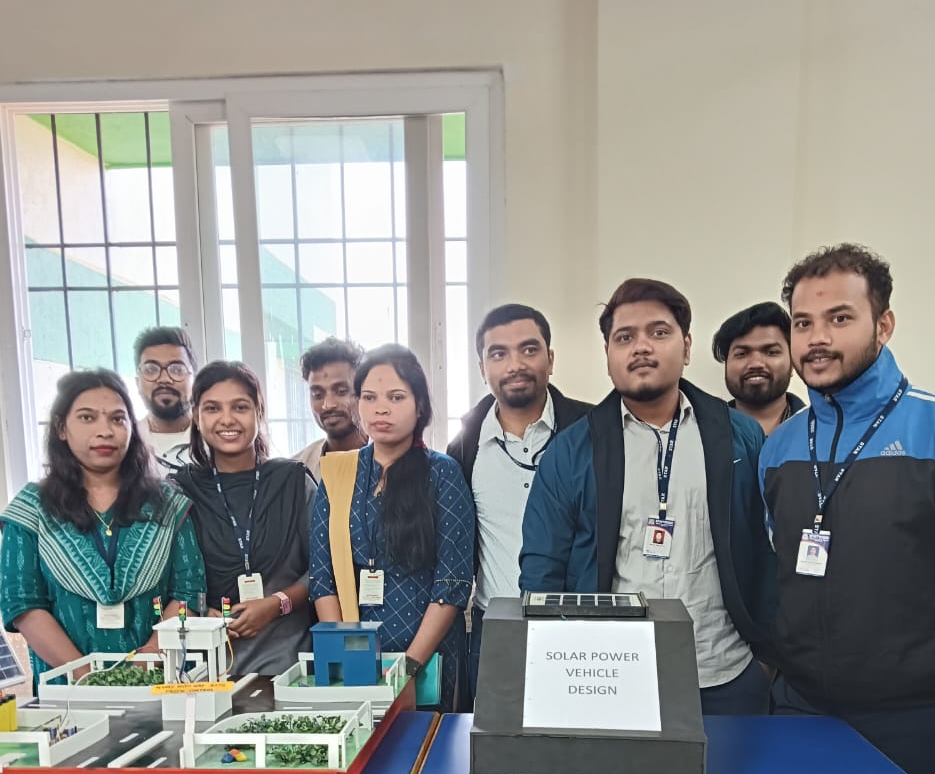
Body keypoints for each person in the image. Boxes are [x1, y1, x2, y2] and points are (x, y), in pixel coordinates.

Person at [759, 242, 935, 774]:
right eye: (803, 322)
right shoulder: (778, 449)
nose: (817, 338)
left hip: (915, 719)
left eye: (840, 318)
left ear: (884, 325)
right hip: (800, 710)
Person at [520, 278, 773, 715]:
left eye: (658, 332)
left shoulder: (739, 437)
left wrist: (766, 659)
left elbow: (766, 554)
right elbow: (543, 570)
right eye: (625, 337)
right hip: (611, 677)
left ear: (687, 347)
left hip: (723, 672)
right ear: (607, 355)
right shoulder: (571, 450)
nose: (641, 347)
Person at [0, 369, 205, 684]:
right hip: (67, 690)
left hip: (159, 683)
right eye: (87, 418)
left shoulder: (168, 505)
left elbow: (189, 592)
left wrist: (150, 659)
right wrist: (87, 677)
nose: (105, 431)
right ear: (61, 428)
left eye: (117, 419)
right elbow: (22, 602)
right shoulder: (31, 510)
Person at [309, 344, 474, 712]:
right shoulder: (337, 473)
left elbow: (453, 582)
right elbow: (322, 577)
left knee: (422, 746)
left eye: (396, 397)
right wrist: (344, 657)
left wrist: (409, 669)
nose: (380, 408)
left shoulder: (442, 473)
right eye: (369, 397)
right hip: (354, 659)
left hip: (427, 660)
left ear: (420, 406)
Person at [448, 303, 591, 698]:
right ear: (482, 368)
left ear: (550, 359)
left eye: (529, 349)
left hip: (582, 626)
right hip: (496, 628)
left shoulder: (593, 432)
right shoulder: (463, 448)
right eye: (499, 354)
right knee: (494, 735)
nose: (515, 364)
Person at [173, 361, 316, 678]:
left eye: (240, 407)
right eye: (212, 408)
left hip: (291, 664)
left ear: (259, 411)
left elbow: (325, 569)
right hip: (206, 667)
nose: (227, 419)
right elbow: (173, 581)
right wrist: (199, 613)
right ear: (196, 416)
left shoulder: (292, 481)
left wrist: (277, 604)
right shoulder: (181, 490)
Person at [712, 302, 806, 436]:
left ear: (792, 363)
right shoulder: (704, 433)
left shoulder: (822, 430)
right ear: (726, 364)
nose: (756, 363)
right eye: (741, 354)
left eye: (771, 352)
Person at [294, 337, 366, 480]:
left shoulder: (396, 464)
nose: (328, 404)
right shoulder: (296, 470)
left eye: (341, 391)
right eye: (317, 394)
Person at [133, 326, 197, 471]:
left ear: (194, 381)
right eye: (151, 369)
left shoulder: (215, 441)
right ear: (137, 382)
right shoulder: (126, 442)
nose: (164, 379)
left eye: (177, 370)